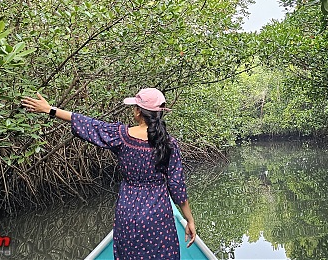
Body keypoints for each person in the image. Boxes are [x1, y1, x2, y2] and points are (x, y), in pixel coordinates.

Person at [21, 87, 197, 259]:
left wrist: (50, 110)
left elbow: (89, 124)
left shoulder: (120, 136)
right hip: (158, 213)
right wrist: (189, 220)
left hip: (128, 211)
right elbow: (177, 187)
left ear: (138, 112)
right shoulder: (169, 144)